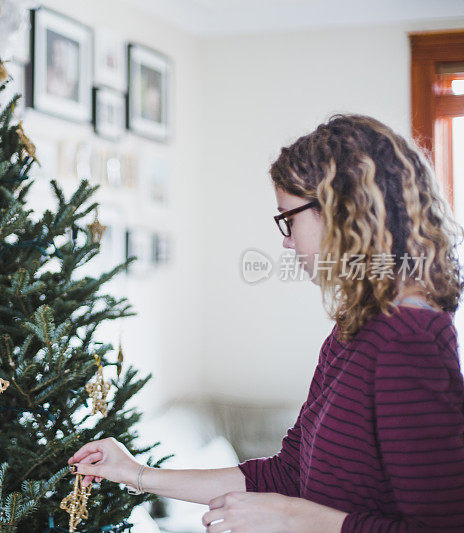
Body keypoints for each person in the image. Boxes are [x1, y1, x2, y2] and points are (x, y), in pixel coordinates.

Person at [67, 114, 464, 532]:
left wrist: (296, 517)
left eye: (288, 219)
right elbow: (287, 473)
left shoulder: (410, 339)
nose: (286, 240)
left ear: (340, 210)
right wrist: (138, 475)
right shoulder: (352, 331)